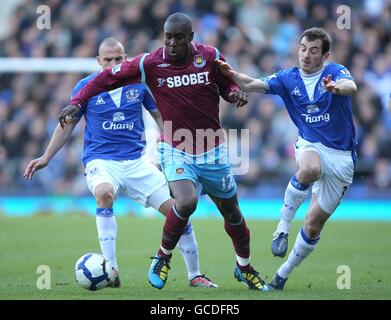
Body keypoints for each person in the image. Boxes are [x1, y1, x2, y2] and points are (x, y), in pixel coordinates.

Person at [58, 13, 268, 291]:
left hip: (212, 149)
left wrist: (234, 94)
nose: (171, 43)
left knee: (232, 213)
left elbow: (226, 83)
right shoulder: (149, 62)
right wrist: (77, 101)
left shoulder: (209, 56)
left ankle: (244, 267)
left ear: (191, 37)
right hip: (176, 147)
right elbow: (104, 79)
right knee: (186, 201)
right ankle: (162, 258)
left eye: (178, 37)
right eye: (167, 37)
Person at [24, 37, 218, 289]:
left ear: (126, 59)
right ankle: (111, 270)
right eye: (108, 60)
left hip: (137, 163)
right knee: (104, 193)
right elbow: (67, 125)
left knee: (178, 212)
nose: (114, 64)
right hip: (101, 161)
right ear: (98, 61)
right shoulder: (86, 87)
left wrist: (171, 142)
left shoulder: (139, 85)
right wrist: (46, 157)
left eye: (119, 59)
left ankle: (195, 275)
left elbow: (160, 114)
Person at [217, 27, 357, 290]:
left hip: (342, 158)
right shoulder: (287, 78)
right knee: (310, 168)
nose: (306, 54)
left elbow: (352, 86)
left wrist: (337, 88)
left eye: (313, 51)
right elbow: (252, 84)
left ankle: (281, 276)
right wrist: (229, 73)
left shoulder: (335, 73)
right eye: (303, 48)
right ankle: (281, 228)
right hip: (310, 144)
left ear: (325, 56)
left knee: (313, 226)